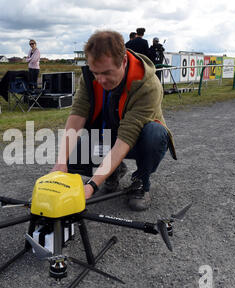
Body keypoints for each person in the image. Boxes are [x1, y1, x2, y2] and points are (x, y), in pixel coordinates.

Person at [51, 30, 177, 211]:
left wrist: (92, 185)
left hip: (137, 141)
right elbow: (77, 115)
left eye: (107, 73)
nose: (100, 80)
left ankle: (141, 181)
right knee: (76, 147)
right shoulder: (90, 77)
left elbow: (127, 136)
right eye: (96, 72)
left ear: (124, 61)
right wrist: (60, 163)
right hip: (107, 134)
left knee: (155, 134)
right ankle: (113, 170)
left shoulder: (148, 84)